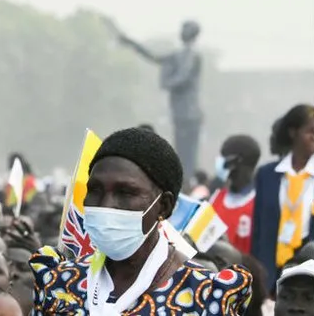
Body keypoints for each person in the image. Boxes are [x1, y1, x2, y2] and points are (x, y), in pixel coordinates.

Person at [31, 127, 253, 315]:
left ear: (164, 206)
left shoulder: (203, 295)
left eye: (125, 192)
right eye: (95, 190)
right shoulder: (59, 282)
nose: (106, 204)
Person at [110, 21, 203, 178]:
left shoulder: (194, 56)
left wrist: (166, 82)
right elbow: (153, 56)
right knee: (181, 151)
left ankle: (189, 181)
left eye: (185, 29)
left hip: (191, 112)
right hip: (179, 111)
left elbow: (184, 77)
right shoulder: (177, 55)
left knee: (189, 155)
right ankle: (184, 180)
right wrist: (131, 42)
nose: (181, 32)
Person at [251, 103, 314, 293]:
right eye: (310, 131)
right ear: (293, 132)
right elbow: (258, 230)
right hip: (270, 271)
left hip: (311, 269)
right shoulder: (267, 174)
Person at [209, 134, 260, 255]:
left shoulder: (260, 203)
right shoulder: (216, 199)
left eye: (224, 157)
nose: (220, 162)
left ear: (237, 161)